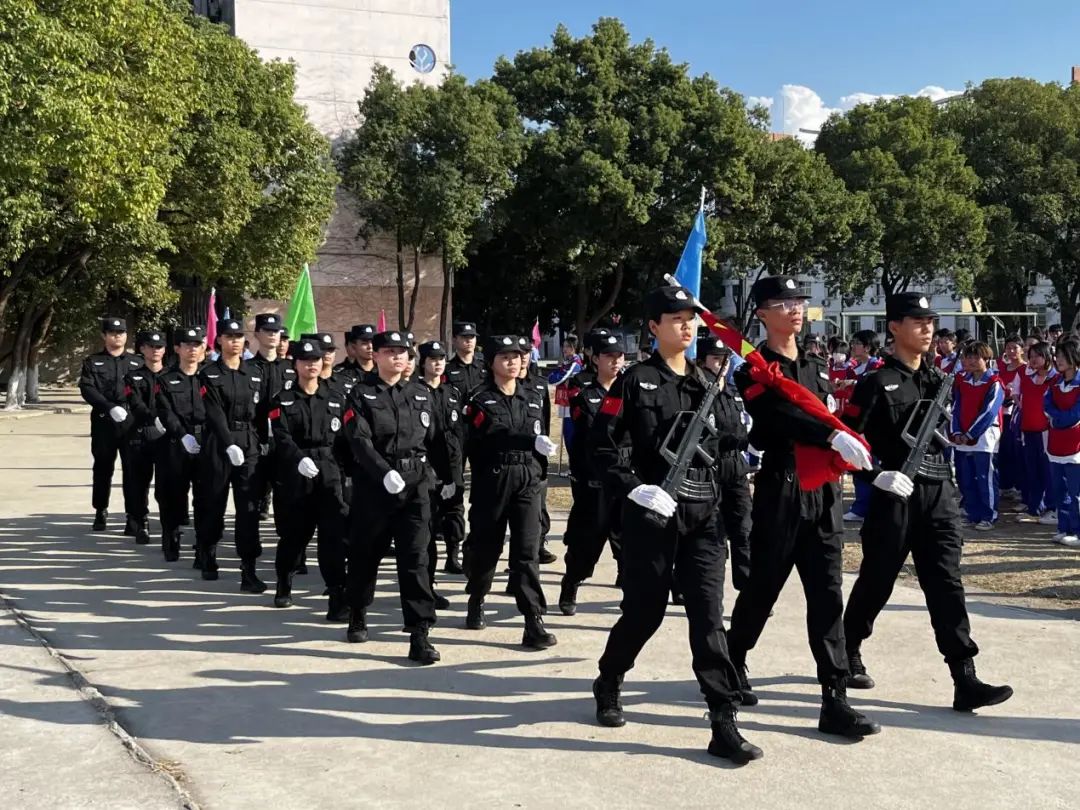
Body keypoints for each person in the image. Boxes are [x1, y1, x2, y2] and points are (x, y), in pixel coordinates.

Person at [587, 285, 759, 763]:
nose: (686, 326)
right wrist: (634, 487)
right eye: (675, 318)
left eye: (691, 319)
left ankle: (722, 720)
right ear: (653, 327)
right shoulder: (634, 380)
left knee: (708, 617)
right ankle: (610, 678)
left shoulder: (707, 384)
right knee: (645, 613)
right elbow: (603, 446)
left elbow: (733, 439)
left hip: (705, 518)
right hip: (652, 517)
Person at [841, 292, 1014, 712]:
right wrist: (874, 475)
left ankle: (964, 677)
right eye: (917, 321)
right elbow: (845, 442)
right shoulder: (875, 383)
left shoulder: (938, 379)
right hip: (894, 494)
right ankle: (846, 651)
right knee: (877, 579)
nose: (927, 329)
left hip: (938, 494)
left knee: (946, 583)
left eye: (930, 322)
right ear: (895, 327)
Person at [728, 275, 880, 741]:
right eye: (782, 303)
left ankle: (834, 698)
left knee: (828, 594)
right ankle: (732, 662)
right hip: (782, 488)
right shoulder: (750, 370)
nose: (795, 310)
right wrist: (828, 434)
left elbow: (832, 414)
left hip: (824, 491)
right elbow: (775, 418)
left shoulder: (814, 367)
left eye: (798, 302)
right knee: (762, 589)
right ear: (762, 314)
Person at [342, 330, 455, 665]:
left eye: (403, 352)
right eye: (389, 352)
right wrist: (382, 472)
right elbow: (358, 441)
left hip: (416, 484)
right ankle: (358, 612)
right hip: (375, 486)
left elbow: (436, 440)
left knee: (416, 557)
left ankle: (420, 632)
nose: (397, 358)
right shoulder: (360, 395)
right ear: (375, 356)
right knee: (366, 554)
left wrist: (448, 478)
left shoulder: (421, 394)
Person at [461, 335, 558, 648]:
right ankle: (477, 597)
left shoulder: (532, 394)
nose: (513, 362)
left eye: (517, 356)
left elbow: (540, 429)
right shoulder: (478, 398)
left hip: (528, 478)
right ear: (491, 362)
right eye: (505, 357)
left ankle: (533, 620)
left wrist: (539, 464)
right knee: (486, 547)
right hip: (494, 477)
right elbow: (484, 437)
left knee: (527, 553)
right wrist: (525, 440)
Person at [267, 338, 351, 618]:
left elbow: (347, 438)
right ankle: (284, 582)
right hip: (296, 473)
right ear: (295, 365)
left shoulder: (337, 397)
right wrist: (297, 459)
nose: (311, 365)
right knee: (294, 535)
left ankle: (337, 594)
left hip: (329, 472)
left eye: (315, 360)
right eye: (305, 361)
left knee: (333, 537)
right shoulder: (284, 399)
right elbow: (281, 435)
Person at [196, 318, 267, 592]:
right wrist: (228, 443)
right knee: (213, 501)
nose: (235, 341)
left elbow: (261, 412)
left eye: (239, 336)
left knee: (248, 507)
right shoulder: (210, 374)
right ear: (220, 341)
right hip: (218, 442)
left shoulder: (255, 372)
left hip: (248, 441)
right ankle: (208, 552)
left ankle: (248, 568)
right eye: (229, 336)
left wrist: (263, 441)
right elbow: (213, 412)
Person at [559, 333, 627, 615]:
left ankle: (630, 588)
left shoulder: (631, 389)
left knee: (629, 542)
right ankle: (571, 584)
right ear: (596, 359)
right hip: (595, 481)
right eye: (609, 356)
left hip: (625, 480)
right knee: (586, 541)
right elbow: (587, 433)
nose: (615, 362)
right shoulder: (585, 394)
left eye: (619, 356)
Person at [696, 337, 753, 593]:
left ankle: (747, 586)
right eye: (717, 359)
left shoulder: (730, 391)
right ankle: (695, 587)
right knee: (711, 534)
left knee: (743, 528)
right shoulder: (698, 392)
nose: (723, 365)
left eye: (726, 359)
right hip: (710, 468)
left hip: (736, 466)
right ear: (703, 362)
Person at [79, 317, 145, 532]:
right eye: (112, 332)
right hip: (104, 421)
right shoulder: (93, 361)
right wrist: (108, 407)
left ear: (126, 335)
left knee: (132, 470)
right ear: (104, 336)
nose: (117, 336)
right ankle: (100, 510)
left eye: (121, 332)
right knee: (102, 468)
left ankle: (132, 515)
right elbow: (88, 388)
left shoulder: (137, 363)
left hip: (130, 422)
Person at [415, 340, 466, 605]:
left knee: (455, 510)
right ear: (422, 362)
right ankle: (428, 582)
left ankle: (454, 555)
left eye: (441, 358)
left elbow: (459, 430)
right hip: (425, 466)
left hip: (452, 462)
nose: (437, 363)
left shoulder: (452, 392)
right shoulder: (415, 391)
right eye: (432, 358)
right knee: (428, 521)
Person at [155, 326, 207, 562]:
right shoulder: (165, 379)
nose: (192, 349)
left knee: (206, 496)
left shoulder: (210, 377)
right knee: (173, 495)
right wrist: (182, 435)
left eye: (197, 344)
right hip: (176, 443)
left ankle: (203, 543)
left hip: (206, 442)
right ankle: (171, 538)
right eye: (187, 345)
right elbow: (165, 412)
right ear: (177, 348)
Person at [120, 330, 169, 545]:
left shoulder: (172, 376)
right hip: (141, 435)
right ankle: (140, 521)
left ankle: (169, 523)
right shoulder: (133, 376)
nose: (155, 350)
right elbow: (136, 404)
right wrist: (153, 418)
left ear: (165, 350)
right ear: (142, 349)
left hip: (167, 436)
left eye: (159, 347)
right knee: (138, 482)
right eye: (150, 346)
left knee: (166, 483)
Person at [951, 342, 1004, 530]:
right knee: (965, 477)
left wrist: (970, 433)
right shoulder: (962, 380)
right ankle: (972, 513)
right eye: (968, 357)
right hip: (963, 436)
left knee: (985, 476)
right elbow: (956, 407)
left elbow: (989, 413)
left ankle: (989, 515)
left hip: (984, 437)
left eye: (976, 357)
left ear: (987, 359)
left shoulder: (994, 382)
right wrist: (956, 432)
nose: (971, 361)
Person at [249, 314, 293, 522]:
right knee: (251, 490)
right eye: (268, 331)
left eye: (276, 331)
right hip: (254, 435)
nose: (273, 335)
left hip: (282, 437)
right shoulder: (247, 369)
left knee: (285, 490)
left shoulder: (290, 369)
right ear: (257, 334)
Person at [517, 337, 557, 564]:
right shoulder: (507, 383)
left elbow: (545, 420)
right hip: (514, 457)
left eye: (526, 352)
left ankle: (539, 545)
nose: (523, 357)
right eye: (518, 352)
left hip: (536, 455)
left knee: (539, 505)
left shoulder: (540, 384)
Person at [839, 331, 884, 523]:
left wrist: (853, 382)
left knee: (868, 463)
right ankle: (862, 505)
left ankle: (865, 506)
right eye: (853, 342)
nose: (853, 347)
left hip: (871, 423)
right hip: (854, 422)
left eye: (857, 343)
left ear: (867, 347)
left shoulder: (877, 366)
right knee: (858, 462)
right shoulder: (854, 368)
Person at [1045, 340, 1080, 548]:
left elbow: (1076, 413)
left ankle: (1077, 530)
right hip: (1056, 441)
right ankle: (1064, 527)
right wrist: (1057, 418)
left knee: (1075, 491)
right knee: (1059, 488)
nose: (1057, 360)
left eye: (1062, 356)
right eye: (1056, 356)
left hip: (1076, 442)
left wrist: (1058, 419)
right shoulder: (1055, 382)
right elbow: (1047, 404)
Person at [1019, 342, 1058, 522]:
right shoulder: (1027, 378)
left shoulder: (1056, 379)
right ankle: (1034, 507)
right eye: (1031, 356)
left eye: (1038, 355)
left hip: (1046, 432)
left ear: (1047, 357)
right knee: (1031, 470)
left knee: (1047, 471)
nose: (1033, 359)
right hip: (1028, 430)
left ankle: (1052, 507)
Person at [996, 336, 1026, 501]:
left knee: (1016, 451)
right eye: (1008, 348)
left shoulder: (1025, 369)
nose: (1012, 351)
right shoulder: (1002, 368)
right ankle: (1005, 484)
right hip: (1002, 415)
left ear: (1021, 349)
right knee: (1003, 451)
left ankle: (1018, 485)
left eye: (1015, 347)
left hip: (1017, 415)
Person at [445, 322, 485, 396]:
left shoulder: (485, 367)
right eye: (464, 337)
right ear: (454, 340)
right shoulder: (447, 369)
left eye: (472, 337)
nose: (469, 340)